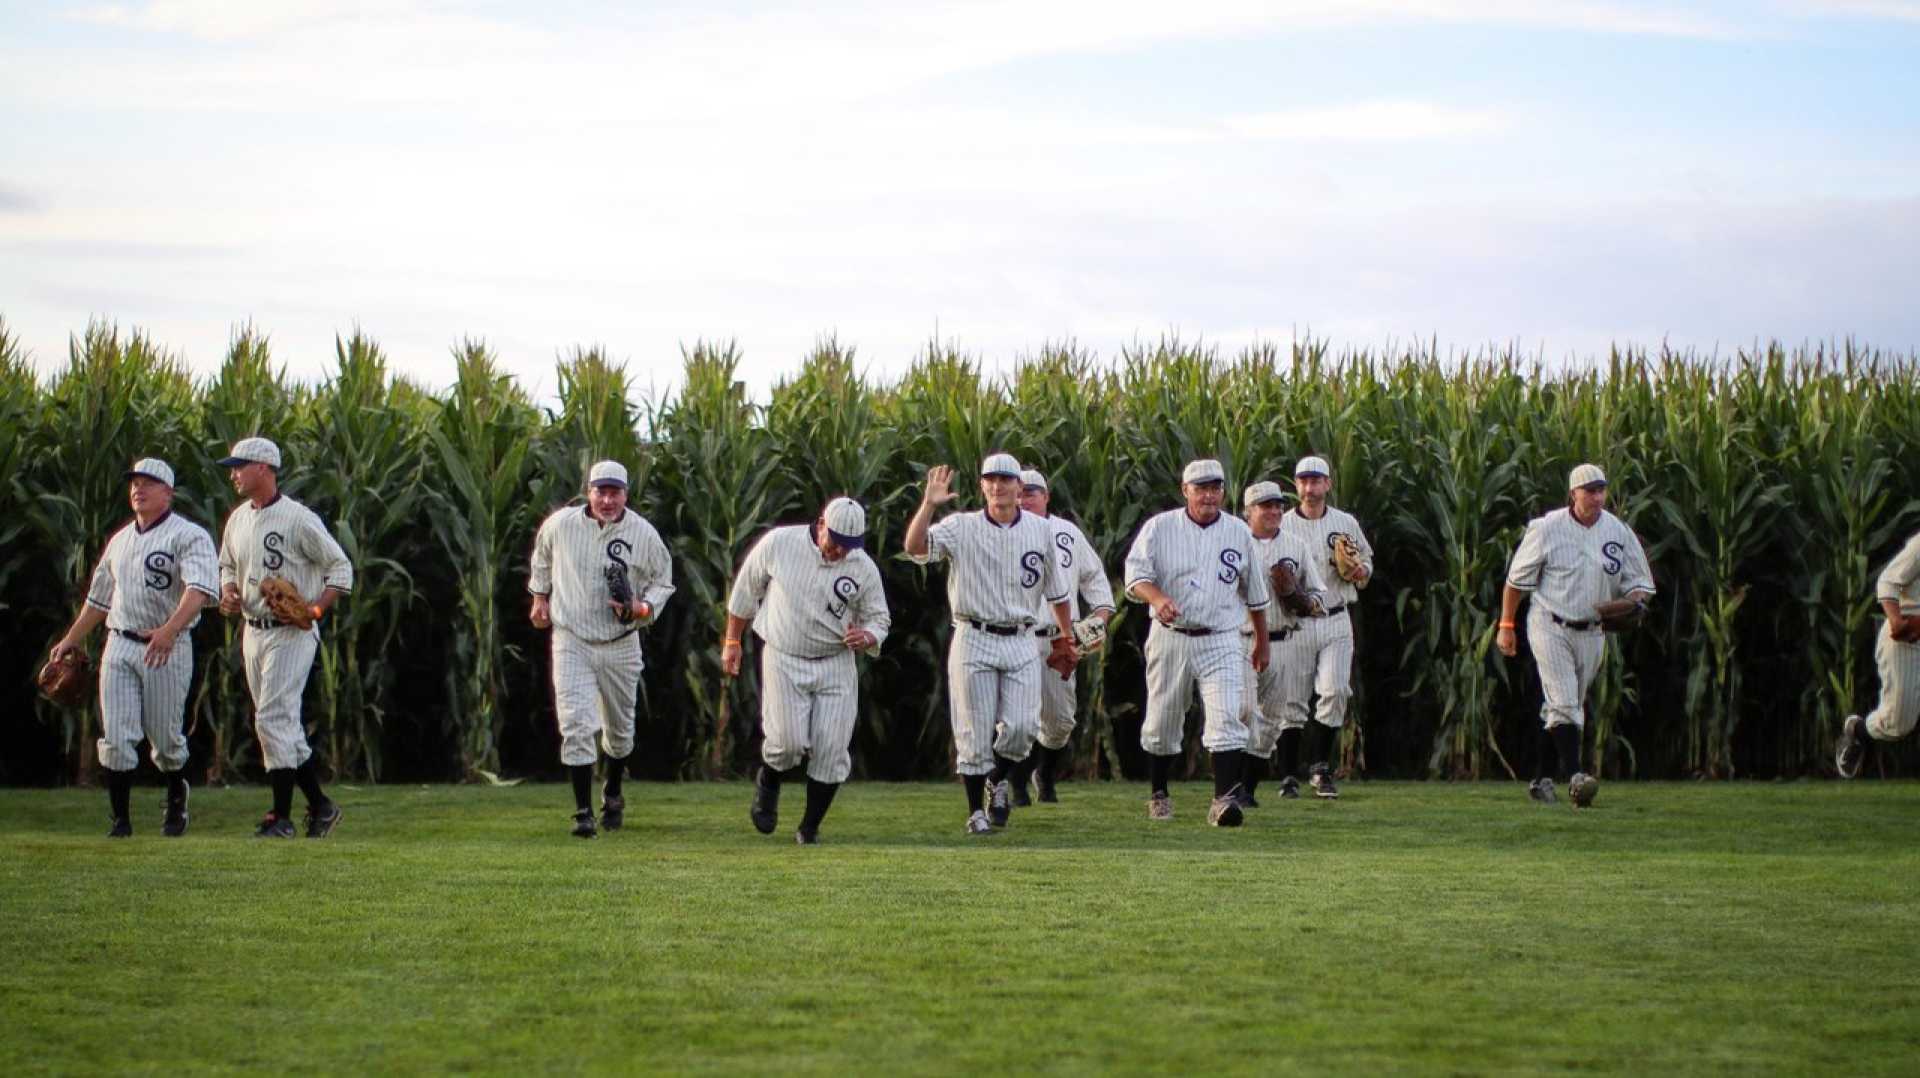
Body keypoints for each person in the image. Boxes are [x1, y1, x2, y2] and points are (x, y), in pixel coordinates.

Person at [905, 453, 1076, 836]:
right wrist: (927, 506)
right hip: (974, 635)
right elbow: (916, 549)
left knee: (1022, 728)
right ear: (982, 486)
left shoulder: (1040, 530)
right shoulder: (961, 526)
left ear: (1020, 487)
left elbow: (1058, 594)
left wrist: (1066, 638)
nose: (998, 486)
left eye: (1006, 480)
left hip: (1021, 637)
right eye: (990, 479)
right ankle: (975, 812)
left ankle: (996, 780)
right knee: (974, 729)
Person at [48, 458, 218, 838]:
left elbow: (200, 590)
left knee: (166, 740)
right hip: (120, 644)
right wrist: (70, 639)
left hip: (167, 647)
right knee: (118, 737)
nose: (138, 489)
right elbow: (98, 601)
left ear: (167, 493)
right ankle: (120, 822)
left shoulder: (188, 536)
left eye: (148, 483)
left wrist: (170, 629)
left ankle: (177, 794)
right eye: (134, 483)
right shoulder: (121, 540)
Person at [723, 497, 890, 844]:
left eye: (848, 546)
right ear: (821, 525)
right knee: (786, 744)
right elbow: (745, 591)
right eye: (835, 542)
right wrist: (732, 642)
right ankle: (768, 782)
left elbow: (879, 617)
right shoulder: (780, 543)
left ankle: (809, 828)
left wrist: (869, 634)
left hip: (835, 662)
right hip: (784, 656)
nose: (839, 552)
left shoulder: (862, 567)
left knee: (831, 750)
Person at [215, 437, 353, 838]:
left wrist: (314, 610)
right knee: (282, 725)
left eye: (240, 465)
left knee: (272, 718)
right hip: (253, 632)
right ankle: (322, 806)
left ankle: (281, 816)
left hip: (291, 634)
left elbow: (340, 569)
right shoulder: (238, 519)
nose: (234, 473)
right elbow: (226, 565)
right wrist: (227, 592)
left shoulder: (299, 519)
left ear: (264, 468)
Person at [1122, 459, 1273, 826]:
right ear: (1185, 490)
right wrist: (1157, 598)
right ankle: (1159, 793)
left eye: (1215, 488)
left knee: (1227, 715)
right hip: (1170, 636)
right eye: (1200, 487)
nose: (1208, 495)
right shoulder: (1160, 527)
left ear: (1224, 491)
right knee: (1162, 722)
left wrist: (1262, 642)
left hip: (1220, 636)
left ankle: (1223, 800)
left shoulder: (1238, 531)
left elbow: (1255, 595)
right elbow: (1135, 577)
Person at [529, 460, 674, 838]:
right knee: (576, 723)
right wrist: (540, 597)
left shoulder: (642, 533)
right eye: (601, 491)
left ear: (626, 494)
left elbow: (664, 582)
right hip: (571, 637)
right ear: (588, 491)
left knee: (620, 730)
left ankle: (612, 791)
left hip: (620, 642)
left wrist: (642, 608)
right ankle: (582, 812)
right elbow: (541, 560)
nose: (607, 500)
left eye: (615, 492)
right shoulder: (560, 525)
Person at [1497, 463, 1654, 804]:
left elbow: (1640, 581)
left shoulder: (1618, 530)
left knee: (1560, 707)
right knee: (1566, 702)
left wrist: (1636, 602)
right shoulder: (1547, 528)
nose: (1597, 497)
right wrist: (1506, 626)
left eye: (1601, 490)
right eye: (1590, 491)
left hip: (1593, 631)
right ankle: (1576, 776)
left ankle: (1540, 781)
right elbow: (1514, 582)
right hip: (1549, 624)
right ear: (1573, 494)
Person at [1009, 469, 1114, 805]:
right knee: (1016, 717)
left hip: (1059, 638)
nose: (1026, 499)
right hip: (1017, 637)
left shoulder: (1066, 533)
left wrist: (1098, 618)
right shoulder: (1001, 533)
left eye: (1032, 493)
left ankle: (1044, 772)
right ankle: (1018, 782)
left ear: (1047, 496)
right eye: (1020, 492)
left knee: (1060, 721)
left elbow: (1095, 580)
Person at [1276, 455, 1375, 799]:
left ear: (1327, 484)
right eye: (1304, 480)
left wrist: (1362, 571)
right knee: (1292, 700)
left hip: (1336, 615)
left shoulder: (1345, 522)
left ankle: (1320, 770)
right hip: (1298, 621)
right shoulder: (1283, 525)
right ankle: (1288, 775)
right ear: (1296, 485)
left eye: (1316, 480)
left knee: (1334, 692)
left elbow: (1366, 560)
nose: (1310, 487)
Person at [1236, 480, 1327, 807]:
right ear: (1249, 512)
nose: (1275, 511)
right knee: (1242, 713)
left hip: (1284, 640)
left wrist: (1304, 601)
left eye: (1277, 505)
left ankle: (1247, 790)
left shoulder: (1295, 544)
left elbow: (1318, 594)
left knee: (1273, 720)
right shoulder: (1234, 542)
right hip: (1240, 641)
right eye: (1266, 506)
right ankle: (1231, 786)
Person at [1836, 528, 1920, 778]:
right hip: (1905, 637)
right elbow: (1888, 581)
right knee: (1898, 723)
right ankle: (1857, 731)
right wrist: (1895, 621)